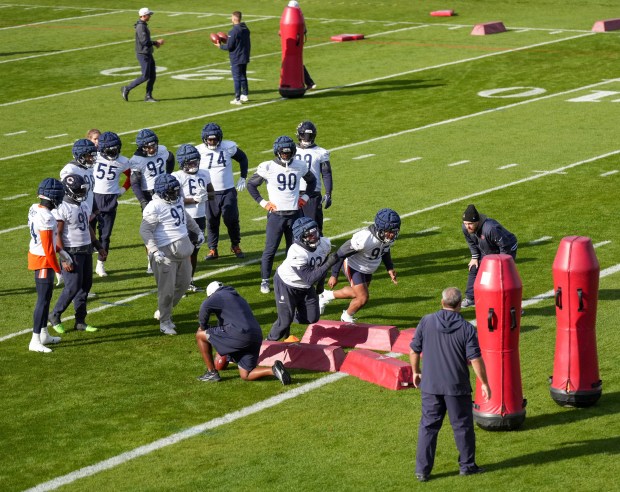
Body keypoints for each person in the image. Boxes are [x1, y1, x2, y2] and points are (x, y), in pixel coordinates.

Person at [409, 287, 491, 482]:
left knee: (428, 427)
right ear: (459, 305)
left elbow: (414, 350)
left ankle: (422, 471)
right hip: (457, 387)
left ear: (442, 302)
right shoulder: (467, 329)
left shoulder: (426, 321)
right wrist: (485, 383)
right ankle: (467, 466)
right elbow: (475, 359)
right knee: (462, 427)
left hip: (430, 387)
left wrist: (415, 371)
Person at [246, 135, 317, 294]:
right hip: (276, 215)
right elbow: (251, 185)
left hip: (295, 214)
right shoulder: (268, 167)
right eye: (283, 153)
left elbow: (312, 181)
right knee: (270, 249)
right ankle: (265, 280)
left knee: (294, 249)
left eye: (288, 152)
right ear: (277, 152)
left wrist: (305, 197)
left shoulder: (299, 164)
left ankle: (289, 277)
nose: (286, 155)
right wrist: (263, 202)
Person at [139, 173, 204, 335]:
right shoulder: (154, 206)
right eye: (171, 192)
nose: (175, 195)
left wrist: (198, 231)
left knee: (183, 285)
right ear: (162, 192)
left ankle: (163, 311)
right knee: (166, 291)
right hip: (165, 253)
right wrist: (154, 250)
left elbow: (185, 217)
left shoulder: (178, 201)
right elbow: (145, 230)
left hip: (183, 250)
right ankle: (165, 321)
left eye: (176, 191)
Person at [196, 281, 292, 384]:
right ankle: (274, 370)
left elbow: (204, 307)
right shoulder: (238, 299)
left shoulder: (218, 295)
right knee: (246, 374)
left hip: (239, 333)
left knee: (200, 335)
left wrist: (203, 327)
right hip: (256, 335)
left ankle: (211, 373)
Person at [48, 175, 107, 334]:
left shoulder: (82, 205)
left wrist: (98, 246)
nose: (81, 194)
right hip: (71, 252)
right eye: (77, 191)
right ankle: (55, 314)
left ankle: (80, 321)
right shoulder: (61, 208)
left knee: (85, 286)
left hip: (86, 249)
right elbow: (57, 235)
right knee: (72, 286)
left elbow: (87, 227)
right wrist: (64, 257)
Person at [319, 208, 400, 322]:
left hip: (368, 268)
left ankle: (326, 296)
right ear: (381, 229)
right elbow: (340, 254)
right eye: (390, 231)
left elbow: (385, 251)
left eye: (394, 231)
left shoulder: (386, 237)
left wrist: (389, 268)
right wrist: (334, 274)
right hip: (354, 266)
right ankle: (346, 316)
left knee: (355, 293)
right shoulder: (364, 238)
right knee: (363, 298)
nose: (392, 235)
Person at [267, 217, 339, 341]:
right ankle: (268, 343)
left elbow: (320, 266)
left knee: (312, 317)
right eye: (310, 235)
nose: (315, 237)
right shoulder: (296, 252)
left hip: (304, 286)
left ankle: (288, 315)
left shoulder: (324, 244)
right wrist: (329, 263)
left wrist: (321, 285)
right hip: (287, 284)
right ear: (302, 237)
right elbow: (309, 279)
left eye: (315, 232)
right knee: (284, 322)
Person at [27, 178, 69, 353]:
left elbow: (50, 243)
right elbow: (47, 248)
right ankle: (35, 340)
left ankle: (43, 333)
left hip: (40, 255)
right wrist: (58, 269)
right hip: (44, 260)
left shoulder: (35, 208)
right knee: (43, 301)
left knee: (46, 298)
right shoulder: (47, 217)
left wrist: (61, 251)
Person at [196, 123, 248, 261]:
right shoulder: (198, 151)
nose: (212, 142)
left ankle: (235, 245)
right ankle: (213, 249)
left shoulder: (228, 147)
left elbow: (243, 158)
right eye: (209, 139)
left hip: (228, 190)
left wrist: (243, 176)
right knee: (212, 220)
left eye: (214, 139)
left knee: (231, 220)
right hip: (210, 191)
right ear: (204, 139)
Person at [129, 128, 176, 274]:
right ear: (141, 147)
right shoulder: (136, 160)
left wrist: (168, 175)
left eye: (153, 145)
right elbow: (135, 183)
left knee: (169, 224)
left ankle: (170, 256)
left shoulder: (162, 150)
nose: (152, 149)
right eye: (148, 147)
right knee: (150, 229)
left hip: (164, 192)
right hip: (149, 194)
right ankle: (151, 260)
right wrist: (143, 200)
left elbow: (171, 158)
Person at [172, 144, 214, 292]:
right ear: (182, 163)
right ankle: (178, 282)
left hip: (200, 217)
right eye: (190, 163)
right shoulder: (177, 176)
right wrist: (194, 200)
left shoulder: (204, 173)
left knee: (194, 251)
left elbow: (212, 193)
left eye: (195, 161)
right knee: (182, 252)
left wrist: (204, 196)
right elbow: (174, 199)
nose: (193, 165)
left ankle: (189, 280)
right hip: (183, 218)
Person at [461, 204, 518, 308]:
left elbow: (504, 246)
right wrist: (474, 257)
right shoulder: (466, 228)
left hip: (506, 247)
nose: (467, 226)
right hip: (487, 249)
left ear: (477, 222)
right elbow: (471, 243)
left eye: (470, 224)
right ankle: (471, 298)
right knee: (474, 267)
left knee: (502, 278)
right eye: (465, 223)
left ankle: (512, 306)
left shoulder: (490, 228)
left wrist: (500, 264)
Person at [92, 131, 131, 277]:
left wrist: (122, 190)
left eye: (115, 148)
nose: (113, 152)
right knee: (87, 234)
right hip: (93, 198)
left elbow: (131, 177)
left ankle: (100, 264)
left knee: (105, 235)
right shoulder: (93, 157)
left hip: (109, 200)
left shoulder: (123, 161)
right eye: (110, 149)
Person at [295, 121, 333, 235]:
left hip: (301, 193)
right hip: (305, 194)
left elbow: (326, 173)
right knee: (309, 226)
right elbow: (326, 173)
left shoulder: (292, 150)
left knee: (308, 227)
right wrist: (328, 192)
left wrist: (328, 192)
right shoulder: (320, 152)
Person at [121, 7, 164, 103]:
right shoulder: (141, 27)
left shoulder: (143, 25)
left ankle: (148, 96)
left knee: (152, 75)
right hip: (143, 54)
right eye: (149, 15)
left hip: (147, 53)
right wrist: (156, 42)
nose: (150, 16)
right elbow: (144, 42)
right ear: (144, 15)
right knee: (145, 76)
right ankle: (127, 88)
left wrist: (154, 44)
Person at [213, 11, 251, 105]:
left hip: (236, 57)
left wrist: (220, 46)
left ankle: (237, 99)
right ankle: (245, 95)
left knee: (237, 78)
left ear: (234, 18)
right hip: (244, 56)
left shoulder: (233, 31)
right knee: (243, 76)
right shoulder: (245, 28)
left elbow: (229, 47)